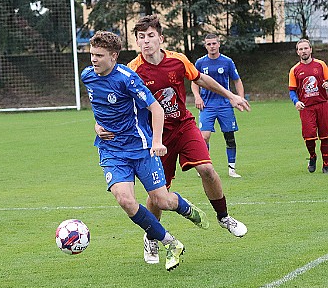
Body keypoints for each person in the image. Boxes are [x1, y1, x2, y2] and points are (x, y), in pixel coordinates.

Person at [96, 16, 250, 265]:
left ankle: (224, 217)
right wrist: (98, 125)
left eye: (150, 36)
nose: (146, 42)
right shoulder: (131, 70)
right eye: (141, 37)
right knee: (158, 197)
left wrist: (231, 95)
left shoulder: (177, 61)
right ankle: (151, 236)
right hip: (153, 137)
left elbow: (200, 79)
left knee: (207, 169)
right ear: (136, 42)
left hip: (183, 125)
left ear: (161, 38)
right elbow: (113, 103)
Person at [81, 30, 210, 271]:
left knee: (162, 201)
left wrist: (157, 142)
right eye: (92, 54)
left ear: (114, 56)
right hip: (112, 150)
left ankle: (185, 207)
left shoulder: (127, 78)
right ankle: (171, 243)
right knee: (126, 201)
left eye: (99, 55)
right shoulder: (87, 76)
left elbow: (156, 109)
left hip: (141, 147)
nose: (94, 60)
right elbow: (99, 107)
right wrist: (97, 126)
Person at [192, 34, 245, 178]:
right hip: (207, 105)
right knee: (204, 137)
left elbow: (237, 80)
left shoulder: (227, 62)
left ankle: (231, 169)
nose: (212, 46)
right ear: (205, 46)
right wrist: (197, 96)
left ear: (219, 44)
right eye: (209, 44)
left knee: (229, 136)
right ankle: (205, 166)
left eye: (214, 43)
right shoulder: (200, 62)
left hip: (224, 105)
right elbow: (194, 81)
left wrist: (239, 98)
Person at [288, 38, 328, 173]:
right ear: (297, 52)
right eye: (301, 49)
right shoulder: (294, 70)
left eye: (306, 48)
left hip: (323, 104)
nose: (303, 51)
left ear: (310, 49)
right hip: (306, 107)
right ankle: (312, 156)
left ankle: (326, 164)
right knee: (309, 136)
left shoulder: (321, 65)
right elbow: (292, 90)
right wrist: (296, 101)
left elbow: (327, 82)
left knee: (325, 136)